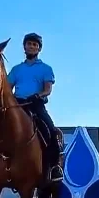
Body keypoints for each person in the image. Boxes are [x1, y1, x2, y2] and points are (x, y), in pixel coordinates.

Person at [8, 32, 64, 181]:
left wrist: (38, 95)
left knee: (51, 130)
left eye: (35, 44)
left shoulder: (46, 68)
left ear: (39, 49)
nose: (32, 46)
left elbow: (48, 89)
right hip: (18, 104)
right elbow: (7, 88)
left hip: (36, 104)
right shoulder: (16, 69)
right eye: (29, 44)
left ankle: (54, 167)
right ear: (24, 47)